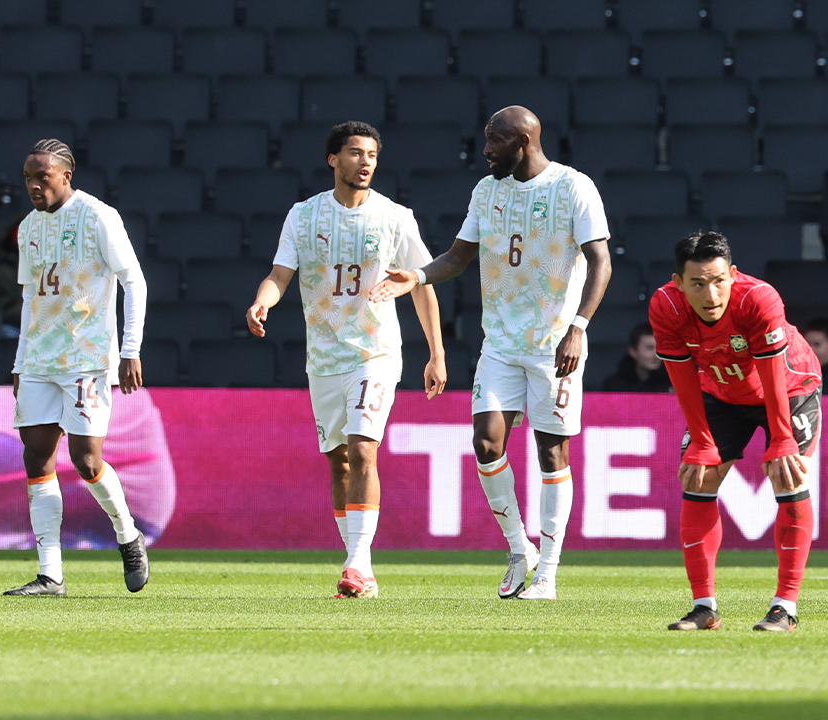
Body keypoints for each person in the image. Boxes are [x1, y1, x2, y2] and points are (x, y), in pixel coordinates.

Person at [369, 106, 612, 601]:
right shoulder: (487, 191)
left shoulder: (573, 187)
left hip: (553, 345)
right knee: (486, 444)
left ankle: (548, 573)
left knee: (551, 452)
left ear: (522, 142)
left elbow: (601, 261)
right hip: (500, 343)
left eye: (494, 141)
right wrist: (417, 275)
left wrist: (579, 328)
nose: (485, 150)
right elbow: (459, 257)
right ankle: (520, 549)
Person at [247, 121, 446, 599]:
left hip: (375, 352)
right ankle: (361, 566)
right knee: (338, 463)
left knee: (362, 450)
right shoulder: (303, 215)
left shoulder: (395, 216)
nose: (365, 162)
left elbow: (422, 285)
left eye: (372, 154)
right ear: (333, 159)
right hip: (323, 357)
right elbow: (280, 273)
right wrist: (262, 301)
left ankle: (357, 564)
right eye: (356, 153)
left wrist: (436, 353)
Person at [649, 231, 822, 632]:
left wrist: (782, 438)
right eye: (698, 284)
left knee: (787, 473)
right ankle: (704, 608)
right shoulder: (666, 306)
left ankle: (785, 607)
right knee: (700, 475)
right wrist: (701, 442)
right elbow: (682, 377)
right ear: (678, 283)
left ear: (733, 274)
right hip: (721, 391)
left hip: (789, 386)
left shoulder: (758, 299)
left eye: (718, 281)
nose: (710, 295)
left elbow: (772, 376)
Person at [5, 139, 150, 597]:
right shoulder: (28, 228)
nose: (33, 185)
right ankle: (51, 574)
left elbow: (134, 280)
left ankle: (127, 534)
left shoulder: (98, 216)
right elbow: (30, 296)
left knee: (86, 461)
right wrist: (19, 361)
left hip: (86, 358)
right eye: (28, 178)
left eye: (42, 177)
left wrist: (130, 349)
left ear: (66, 176)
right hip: (38, 360)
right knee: (36, 457)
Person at [602, 322, 672, 392]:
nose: (657, 355)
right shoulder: (614, 385)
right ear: (633, 351)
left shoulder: (673, 384)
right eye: (649, 348)